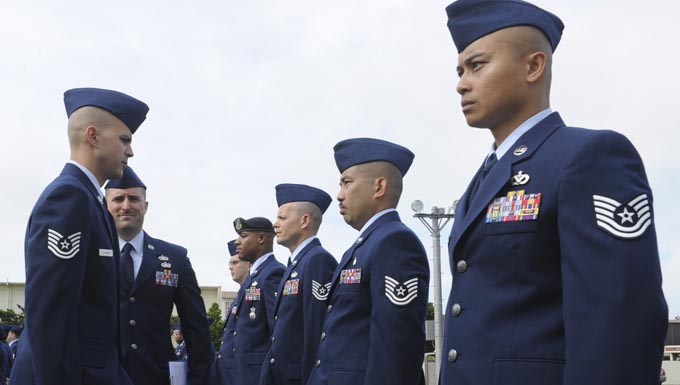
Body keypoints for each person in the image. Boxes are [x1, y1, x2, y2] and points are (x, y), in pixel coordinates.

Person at [439, 1, 669, 384]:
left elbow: (620, 316)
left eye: (477, 65)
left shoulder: (588, 157)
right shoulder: (483, 179)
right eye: (460, 70)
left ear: (533, 66)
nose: (462, 82)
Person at [11, 87, 148, 385]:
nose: (130, 151)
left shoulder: (90, 199)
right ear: (93, 136)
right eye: (124, 139)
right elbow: (51, 314)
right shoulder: (69, 197)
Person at [306, 138, 430, 385]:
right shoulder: (364, 246)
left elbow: (396, 349)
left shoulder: (394, 242)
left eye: (347, 183)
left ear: (379, 186)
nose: (339, 196)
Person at [105, 166, 213, 385]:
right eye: (118, 199)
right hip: (102, 376)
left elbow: (196, 327)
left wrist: (198, 379)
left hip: (156, 377)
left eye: (134, 199)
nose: (126, 206)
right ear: (105, 206)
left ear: (145, 206)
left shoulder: (175, 258)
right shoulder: (90, 255)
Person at [258, 184, 338, 385]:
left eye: (282, 218)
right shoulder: (297, 263)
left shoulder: (317, 260)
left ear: (304, 220)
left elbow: (317, 330)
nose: (275, 224)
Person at [228, 217, 285, 385]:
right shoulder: (254, 276)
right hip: (242, 374)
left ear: (261, 238)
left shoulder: (272, 273)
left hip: (257, 376)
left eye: (244, 236)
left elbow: (277, 332)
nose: (238, 242)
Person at [212, 239, 252, 385]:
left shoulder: (254, 290)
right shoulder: (240, 295)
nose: (230, 267)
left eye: (235, 263)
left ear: (249, 264)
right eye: (230, 263)